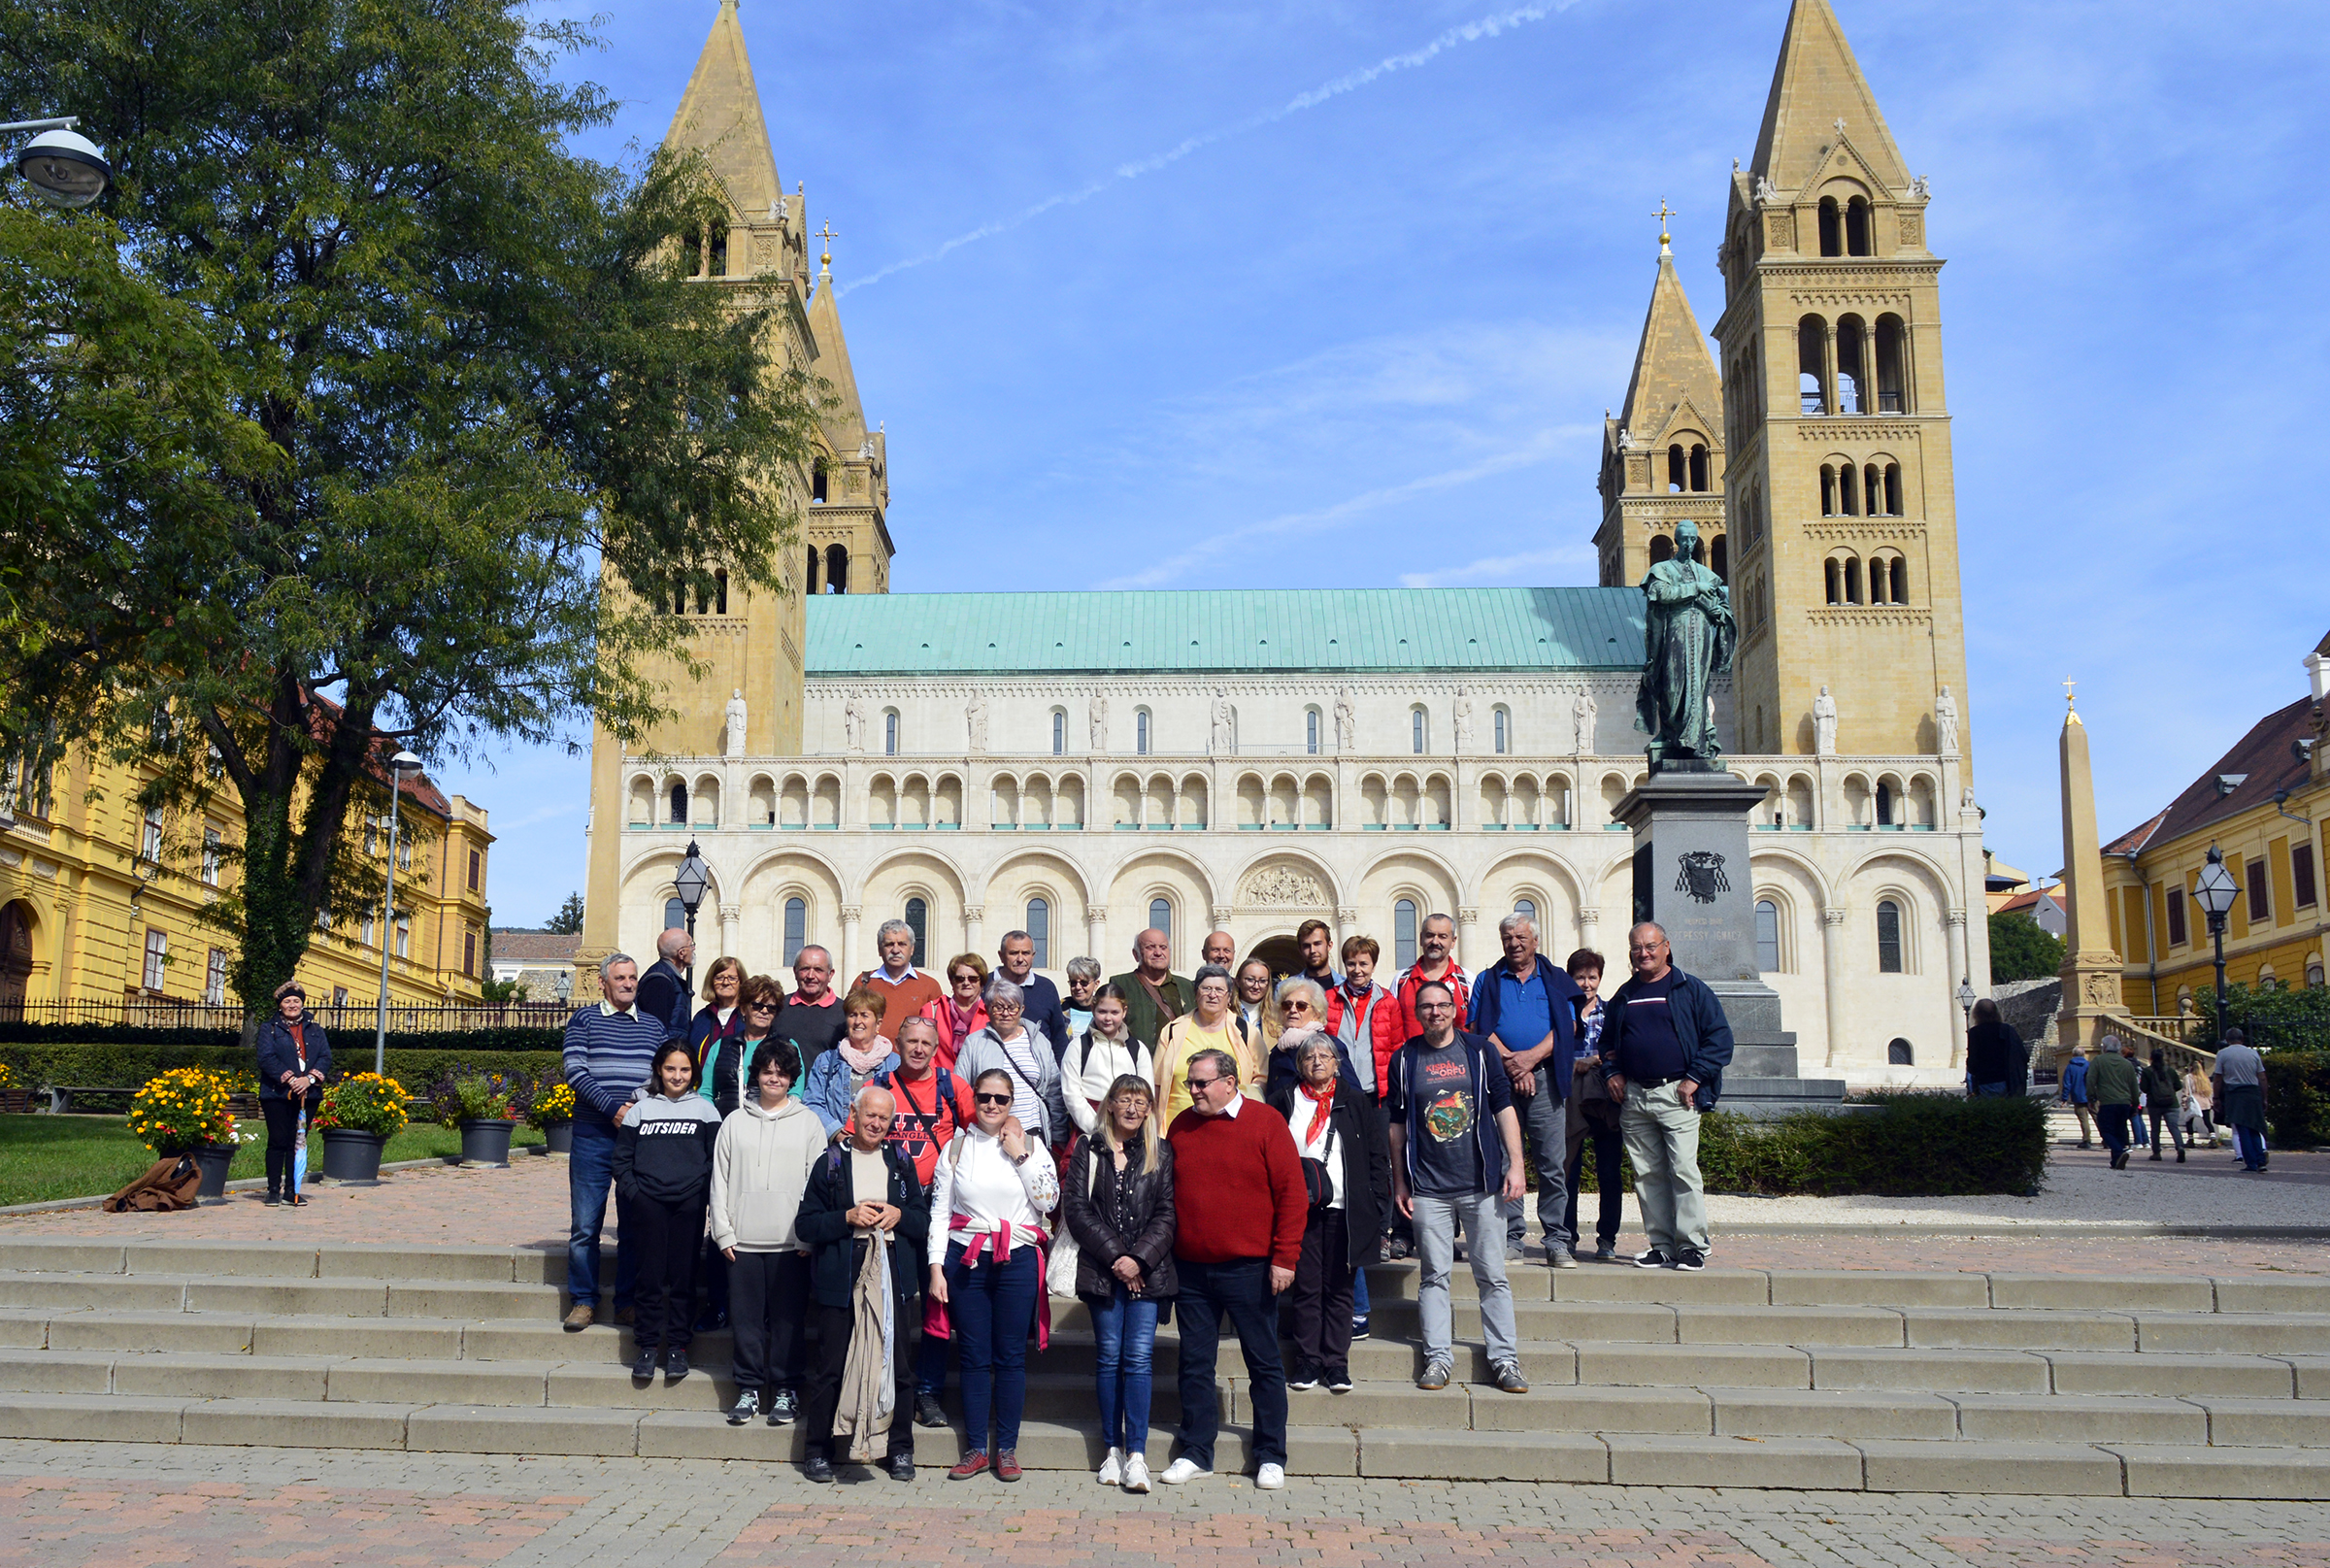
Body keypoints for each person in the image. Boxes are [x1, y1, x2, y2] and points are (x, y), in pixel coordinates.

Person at [1161, 1049, 1308, 1490]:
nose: (1194, 1091)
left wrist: (1285, 1257)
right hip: (1192, 1270)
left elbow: (1292, 1194)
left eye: (1202, 1083)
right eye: (1190, 1083)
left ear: (1230, 1082)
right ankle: (1196, 1451)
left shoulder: (1265, 1122)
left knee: (1263, 1363)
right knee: (1194, 1363)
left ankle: (1270, 1454)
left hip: (1251, 1267)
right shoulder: (1181, 1126)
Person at [1384, 981, 1529, 1395]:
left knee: (1492, 1276)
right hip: (1428, 1187)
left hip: (1481, 1185)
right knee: (1434, 1276)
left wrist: (1516, 1166)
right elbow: (1396, 1125)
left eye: (1442, 1005)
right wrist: (1400, 1181)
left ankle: (1504, 1360)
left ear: (1454, 1009)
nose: (1434, 1012)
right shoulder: (1405, 1058)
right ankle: (1437, 1359)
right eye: (1426, 1006)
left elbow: (1503, 1106)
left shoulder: (1480, 1051)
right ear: (1418, 1012)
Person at [928, 1068, 1060, 1482]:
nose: (991, 1105)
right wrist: (935, 1267)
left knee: (1009, 1357)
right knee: (972, 1356)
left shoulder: (1033, 1145)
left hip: (1017, 1259)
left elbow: (1049, 1199)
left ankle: (1006, 1448)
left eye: (1001, 1099)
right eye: (984, 1096)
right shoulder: (957, 1147)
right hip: (967, 1259)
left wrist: (1020, 1153)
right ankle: (975, 1449)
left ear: (1011, 1104)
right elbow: (939, 1212)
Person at [798, 1084, 930, 1483]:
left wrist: (898, 1214)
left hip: (893, 1270)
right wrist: (846, 1217)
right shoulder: (831, 1162)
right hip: (844, 1269)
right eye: (869, 1115)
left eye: (883, 1118)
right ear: (853, 1113)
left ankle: (900, 1449)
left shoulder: (901, 1161)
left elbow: (922, 1221)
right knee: (831, 1363)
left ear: (892, 1122)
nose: (875, 1123)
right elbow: (805, 1224)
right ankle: (818, 1451)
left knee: (899, 1364)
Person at [1060, 1074, 1177, 1493]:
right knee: (1110, 1357)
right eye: (1124, 1100)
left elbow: (1168, 1214)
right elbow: (1076, 1210)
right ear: (1109, 1104)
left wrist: (1139, 1259)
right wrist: (1117, 1258)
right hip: (1103, 1272)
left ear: (1148, 1110)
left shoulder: (1160, 1152)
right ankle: (1112, 1450)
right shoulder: (1088, 1150)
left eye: (1140, 1102)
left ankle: (1138, 1456)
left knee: (1139, 1359)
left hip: (1149, 1273)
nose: (1132, 1108)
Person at [1599, 922, 1735, 1271]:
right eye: (1636, 948)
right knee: (1647, 1175)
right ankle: (1661, 1244)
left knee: (1684, 1171)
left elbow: (1719, 1040)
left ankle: (1691, 1246)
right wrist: (1612, 1074)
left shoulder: (1690, 989)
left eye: (1650, 946)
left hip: (1677, 1094)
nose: (1643, 953)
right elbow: (1607, 1044)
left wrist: (1694, 1079)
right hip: (1635, 1097)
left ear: (1666, 947)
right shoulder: (1624, 995)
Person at [865, 1016, 975, 1428]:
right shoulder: (883, 1087)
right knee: (890, 1300)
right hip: (889, 1206)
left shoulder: (952, 1086)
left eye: (926, 1043)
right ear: (897, 1043)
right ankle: (881, 1383)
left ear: (936, 1046)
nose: (917, 1049)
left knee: (934, 1304)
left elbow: (980, 1128)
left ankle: (927, 1392)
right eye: (910, 1041)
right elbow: (855, 1132)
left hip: (937, 1206)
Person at [1267, 1035, 1388, 1396]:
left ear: (1337, 1062)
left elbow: (1376, 1155)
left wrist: (1379, 1207)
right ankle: (1308, 1359)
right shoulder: (1284, 1100)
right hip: (1298, 1209)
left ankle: (1336, 1362)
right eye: (1309, 1057)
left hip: (1346, 1209)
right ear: (1299, 1064)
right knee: (1305, 1287)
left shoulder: (1353, 1101)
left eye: (1325, 1055)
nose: (1317, 1061)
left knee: (1339, 1287)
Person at [711, 1038, 821, 1426]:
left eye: (782, 1072)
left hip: (791, 1244)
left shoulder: (809, 1123)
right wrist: (723, 1233)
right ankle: (749, 1388)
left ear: (792, 1078)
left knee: (789, 1321)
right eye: (767, 1070)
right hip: (742, 1243)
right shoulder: (734, 1122)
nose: (774, 1077)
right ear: (756, 1074)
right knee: (746, 1321)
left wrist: (807, 1236)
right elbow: (720, 1180)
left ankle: (787, 1390)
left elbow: (816, 1184)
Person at [561, 952, 667, 1330]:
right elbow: (575, 1071)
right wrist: (612, 1109)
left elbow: (660, 1077)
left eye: (633, 978)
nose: (628, 983)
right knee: (586, 1225)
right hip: (593, 1136)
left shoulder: (654, 1026)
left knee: (633, 1226)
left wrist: (633, 1108)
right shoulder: (584, 1020)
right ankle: (584, 1300)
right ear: (604, 983)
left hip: (635, 1140)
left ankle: (627, 1301)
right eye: (620, 978)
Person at [1471, 912, 1582, 1268]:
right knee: (1505, 1159)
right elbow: (1478, 1028)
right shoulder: (1488, 980)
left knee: (1552, 1162)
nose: (1514, 944)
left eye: (1521, 937)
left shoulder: (1555, 979)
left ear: (1536, 941)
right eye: (1507, 938)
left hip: (1546, 1078)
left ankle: (1556, 1240)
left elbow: (1568, 1026)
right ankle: (1512, 1238)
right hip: (1501, 1079)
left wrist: (1530, 1060)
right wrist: (1511, 1063)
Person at [612, 1042, 722, 1381]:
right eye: (671, 1069)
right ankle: (646, 1345)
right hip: (648, 1206)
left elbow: (714, 1161)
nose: (677, 1076)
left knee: (683, 1278)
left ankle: (677, 1346)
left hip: (688, 1206)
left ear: (694, 1073)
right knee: (648, 1278)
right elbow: (621, 1161)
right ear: (659, 1070)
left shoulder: (706, 1112)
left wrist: (697, 1195)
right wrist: (638, 1196)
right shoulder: (640, 1111)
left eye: (685, 1070)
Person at [1561, 949, 1624, 1263]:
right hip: (1571, 1096)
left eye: (1592, 977)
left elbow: (1617, 1049)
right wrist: (1577, 1064)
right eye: (1581, 977)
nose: (1587, 983)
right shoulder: (1563, 1012)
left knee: (1609, 1170)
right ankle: (1567, 1234)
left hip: (1604, 1095)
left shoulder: (1611, 1011)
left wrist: (1595, 1060)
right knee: (1568, 1169)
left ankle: (1607, 1238)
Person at [958, 979, 1072, 1151]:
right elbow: (961, 1092)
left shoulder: (1038, 1041)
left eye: (1012, 1007)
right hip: (990, 1137)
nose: (1006, 1013)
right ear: (988, 1009)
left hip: (1034, 1135)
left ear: (1022, 1010)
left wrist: (1058, 1135)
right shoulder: (974, 1043)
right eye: (998, 1007)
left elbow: (1053, 1091)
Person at [254, 981, 331, 1208]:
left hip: (308, 1094)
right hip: (277, 1094)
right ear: (280, 1005)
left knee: (297, 1142)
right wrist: (290, 1079)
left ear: (302, 1003)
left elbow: (325, 1057)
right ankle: (272, 1190)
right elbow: (266, 1057)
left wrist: (308, 1080)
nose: (292, 1005)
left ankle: (292, 1190)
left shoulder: (315, 1029)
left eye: (296, 1001)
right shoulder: (269, 1028)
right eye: (287, 1001)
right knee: (278, 1141)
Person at [1154, 965, 1256, 1123]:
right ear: (1196, 994)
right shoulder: (1172, 1031)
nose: (1212, 995)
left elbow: (1260, 1082)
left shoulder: (1247, 1033)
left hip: (1230, 1126)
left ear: (1229, 997)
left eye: (1219, 990)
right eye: (1206, 988)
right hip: (1176, 1127)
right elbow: (1156, 1084)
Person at [1061, 983, 1151, 1136]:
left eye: (1114, 1012)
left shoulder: (1137, 1049)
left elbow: (1146, 1093)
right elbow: (1071, 1094)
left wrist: (1130, 1124)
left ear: (1124, 1012)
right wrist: (1097, 1128)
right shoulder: (1078, 1047)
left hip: (1129, 1126)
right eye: (1102, 1012)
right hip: (1090, 1127)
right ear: (1093, 1010)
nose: (1108, 1018)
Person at [804, 988, 895, 1139]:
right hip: (838, 1147)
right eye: (853, 1015)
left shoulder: (893, 1063)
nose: (857, 1021)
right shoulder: (826, 1060)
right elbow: (812, 1102)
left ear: (878, 1024)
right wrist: (837, 1133)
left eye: (864, 1015)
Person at [1324, 936, 1402, 1101]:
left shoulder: (1388, 1002)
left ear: (1373, 966)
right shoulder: (1329, 999)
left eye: (1363, 964)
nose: (1357, 970)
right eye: (1351, 964)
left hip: (1376, 1095)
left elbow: (1395, 1049)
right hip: (1337, 1091)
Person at [703, 974, 781, 1120]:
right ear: (744, 1009)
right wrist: (715, 1122)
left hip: (771, 1127)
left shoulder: (787, 1046)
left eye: (771, 1008)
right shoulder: (721, 1046)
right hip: (725, 1125)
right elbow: (706, 1091)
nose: (764, 1011)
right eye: (757, 1006)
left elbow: (796, 1092)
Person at [854, 918, 944, 1040]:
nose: (895, 950)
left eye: (902, 944)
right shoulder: (863, 982)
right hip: (868, 1057)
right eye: (889, 944)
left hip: (912, 1058)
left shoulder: (929, 986)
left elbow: (937, 1032)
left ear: (912, 949)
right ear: (880, 950)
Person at [1110, 929, 1191, 1056]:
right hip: (1134, 1064)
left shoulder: (1187, 987)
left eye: (1163, 947)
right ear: (1136, 954)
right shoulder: (1120, 984)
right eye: (1150, 947)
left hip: (1177, 1066)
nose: (1158, 953)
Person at [1393, 914, 1471, 1040]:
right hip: (1413, 1057)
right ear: (1420, 938)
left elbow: (1475, 1027)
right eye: (1429, 935)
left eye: (1442, 936)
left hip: (1456, 1059)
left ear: (1453, 941)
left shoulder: (1467, 981)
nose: (1435, 942)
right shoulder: (1401, 980)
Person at [995, 930, 1069, 1058]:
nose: (1020, 959)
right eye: (1013, 953)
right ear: (1001, 956)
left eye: (1025, 953)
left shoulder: (1047, 988)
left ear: (1033, 955)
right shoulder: (985, 986)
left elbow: (1059, 1038)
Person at [775, 946, 848, 1070]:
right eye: (805, 968)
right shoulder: (778, 1007)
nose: (810, 975)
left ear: (830, 975)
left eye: (818, 970)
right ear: (795, 972)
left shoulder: (845, 1013)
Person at [2211, 1027, 2269, 1172]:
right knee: (2255, 1127)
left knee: (2242, 1128)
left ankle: (2251, 1162)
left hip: (2235, 1093)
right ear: (2242, 1039)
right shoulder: (2253, 1053)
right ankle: (2261, 1159)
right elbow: (2262, 1077)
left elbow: (2218, 1078)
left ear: (2227, 1040)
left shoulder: (2223, 1054)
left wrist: (2216, 1097)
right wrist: (2265, 1097)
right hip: (2253, 1092)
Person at [920, 954, 990, 1071]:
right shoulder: (932, 1010)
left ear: (981, 983)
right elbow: (923, 1048)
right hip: (940, 1082)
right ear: (952, 983)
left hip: (978, 1083)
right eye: (960, 979)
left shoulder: (991, 1014)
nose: (966, 983)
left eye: (972, 979)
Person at [687, 956, 747, 1080]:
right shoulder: (702, 1017)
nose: (725, 982)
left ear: (741, 982)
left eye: (732, 978)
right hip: (702, 1088)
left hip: (736, 1089)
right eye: (719, 978)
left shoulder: (748, 1016)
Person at [2087, 1034, 2140, 1169]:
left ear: (2104, 1047)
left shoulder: (2098, 1061)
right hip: (2124, 1102)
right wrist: (2135, 1103)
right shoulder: (2126, 1064)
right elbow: (2134, 1085)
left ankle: (2119, 1151)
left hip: (2107, 1101)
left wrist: (2091, 1097)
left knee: (2106, 1130)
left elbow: (2091, 1080)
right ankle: (2116, 1161)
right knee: (2120, 1130)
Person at [636, 927, 696, 1045]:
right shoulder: (659, 982)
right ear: (681, 953)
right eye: (691, 945)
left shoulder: (669, 977)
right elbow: (657, 1029)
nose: (693, 949)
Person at [1964, 998, 2027, 1097]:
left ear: (1977, 1014)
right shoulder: (2007, 1030)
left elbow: (1972, 1062)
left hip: (1985, 1081)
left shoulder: (1975, 1032)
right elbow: (2023, 1055)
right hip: (2007, 1080)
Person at [2143, 1047, 2186, 1163]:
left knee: (2155, 1129)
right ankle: (2180, 1146)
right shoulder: (2170, 1070)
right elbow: (2178, 1086)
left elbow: (2144, 1088)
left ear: (2151, 1058)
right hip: (2171, 1103)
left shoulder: (2147, 1071)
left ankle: (2156, 1152)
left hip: (2154, 1103)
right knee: (2174, 1127)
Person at [1233, 957, 1282, 1053]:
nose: (1256, 986)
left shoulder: (1278, 1016)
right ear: (1238, 981)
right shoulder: (1226, 1013)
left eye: (1262, 981)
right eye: (1250, 980)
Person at [2059, 1046, 2096, 1148]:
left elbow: (2067, 1084)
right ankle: (2106, 1138)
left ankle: (2087, 1139)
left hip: (2078, 1095)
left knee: (2083, 1118)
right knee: (2097, 1117)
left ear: (2073, 1054)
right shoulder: (2089, 1065)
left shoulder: (2070, 1067)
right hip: (2091, 1095)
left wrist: (2064, 1098)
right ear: (2084, 1054)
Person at [1294, 918, 1341, 991]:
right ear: (1300, 950)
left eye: (1317, 944)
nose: (1312, 950)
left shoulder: (1347, 987)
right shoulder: (1285, 989)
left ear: (1329, 945)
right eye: (1306, 946)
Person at [1063, 957, 1103, 1040]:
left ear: (1096, 984)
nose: (1078, 987)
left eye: (1084, 983)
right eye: (1073, 983)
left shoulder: (1104, 1010)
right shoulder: (1060, 1008)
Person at [2184, 1063, 2216, 1143]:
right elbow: (2209, 1091)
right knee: (2207, 1121)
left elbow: (2186, 1091)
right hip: (2205, 1102)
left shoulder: (2188, 1077)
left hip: (2194, 1102)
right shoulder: (2205, 1078)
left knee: (2189, 1121)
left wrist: (2184, 1102)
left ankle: (2191, 1139)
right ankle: (2213, 1137)